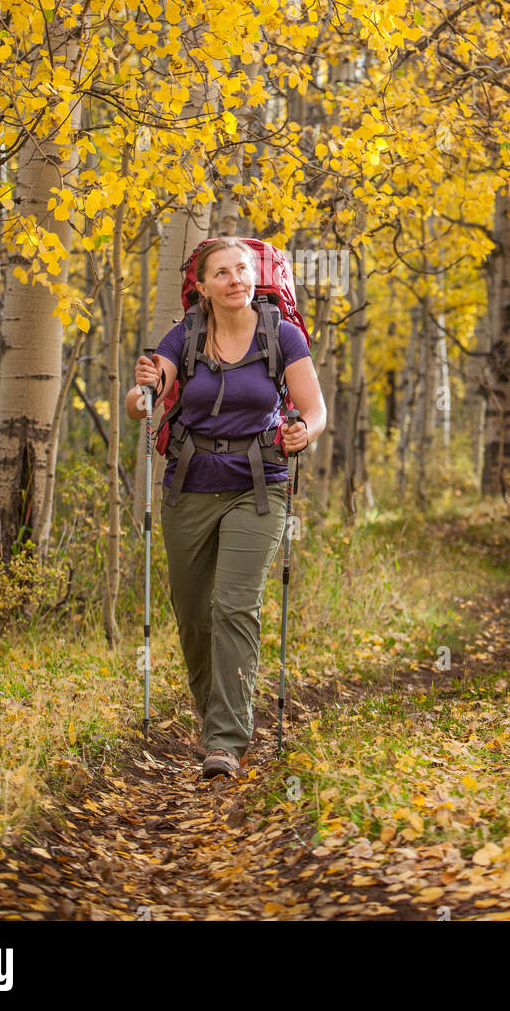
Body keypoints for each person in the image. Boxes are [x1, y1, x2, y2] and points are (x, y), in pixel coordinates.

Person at [126, 239, 326, 778]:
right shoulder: (185, 335)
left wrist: (303, 432)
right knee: (193, 614)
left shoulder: (281, 335)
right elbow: (140, 403)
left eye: (242, 269)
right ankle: (214, 711)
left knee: (234, 606)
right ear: (204, 286)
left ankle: (225, 740)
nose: (236, 279)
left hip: (258, 487)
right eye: (222, 273)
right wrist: (143, 389)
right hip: (189, 486)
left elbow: (315, 408)